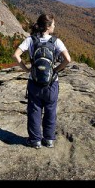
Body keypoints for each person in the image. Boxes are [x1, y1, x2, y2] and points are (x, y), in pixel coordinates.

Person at [12, 13, 71, 149]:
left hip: (34, 83)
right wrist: (56, 70)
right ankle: (49, 139)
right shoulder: (56, 41)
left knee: (34, 111)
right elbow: (68, 59)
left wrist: (27, 70)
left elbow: (16, 55)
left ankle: (35, 140)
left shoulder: (31, 40)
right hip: (51, 83)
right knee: (50, 110)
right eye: (53, 24)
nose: (54, 26)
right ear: (48, 26)